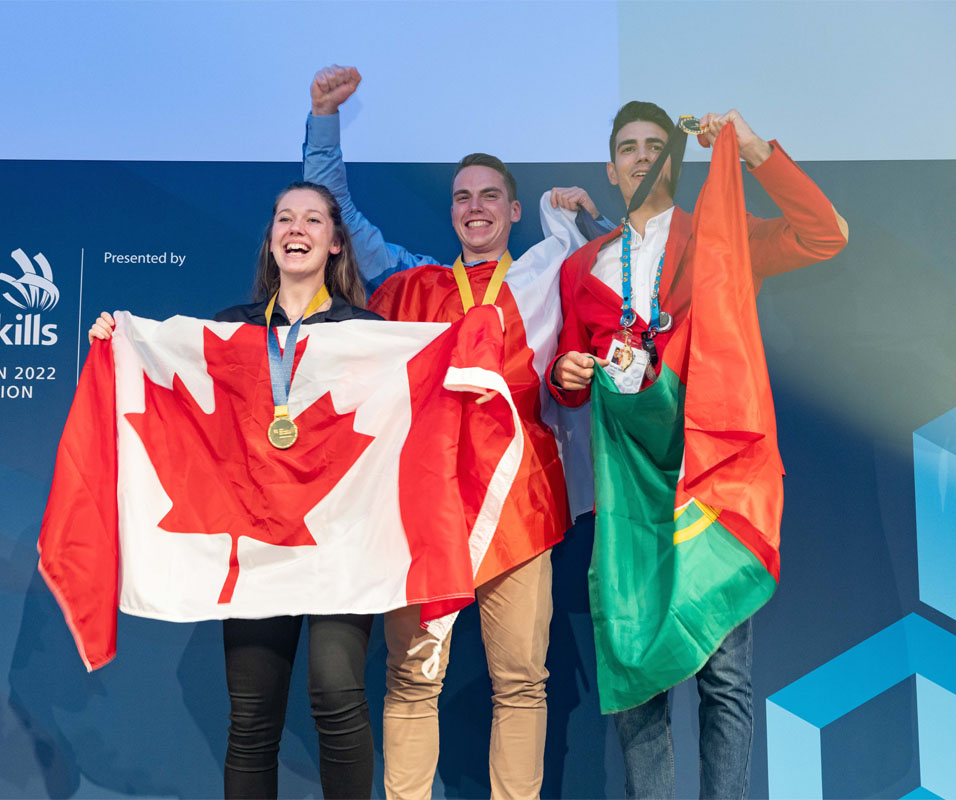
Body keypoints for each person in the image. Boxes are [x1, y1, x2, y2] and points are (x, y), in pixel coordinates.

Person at [303, 64, 594, 800]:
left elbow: (630, 273)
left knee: (522, 682)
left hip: (519, 505)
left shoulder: (546, 271)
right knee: (411, 678)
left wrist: (583, 219)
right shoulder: (412, 285)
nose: (474, 207)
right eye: (462, 196)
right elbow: (333, 209)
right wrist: (322, 122)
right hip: (426, 508)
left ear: (514, 209)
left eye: (489, 195)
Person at [547, 103, 849, 799]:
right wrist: (566, 374)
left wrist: (750, 150)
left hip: (714, 475)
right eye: (629, 148)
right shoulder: (582, 268)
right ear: (611, 166)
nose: (643, 158)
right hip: (631, 488)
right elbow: (570, 370)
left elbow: (826, 235)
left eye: (657, 146)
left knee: (724, 677)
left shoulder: (722, 237)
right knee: (637, 670)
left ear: (675, 162)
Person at [88, 181, 381, 800]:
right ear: (272, 239)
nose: (295, 229)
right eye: (283, 218)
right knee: (251, 720)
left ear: (334, 243)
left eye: (311, 220)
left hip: (338, 540)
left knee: (336, 694)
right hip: (252, 543)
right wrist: (118, 344)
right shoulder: (228, 330)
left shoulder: (369, 333)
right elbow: (177, 397)